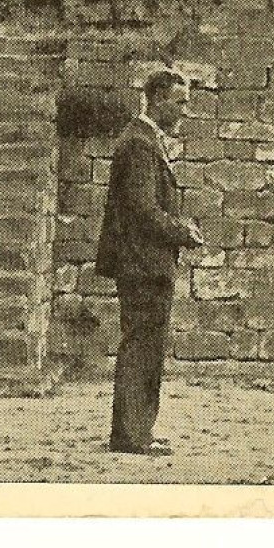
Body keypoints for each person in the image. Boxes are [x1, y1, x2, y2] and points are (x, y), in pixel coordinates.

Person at [96, 68, 203, 455]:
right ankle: (131, 435)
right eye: (180, 103)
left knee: (146, 346)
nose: (185, 111)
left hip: (147, 262)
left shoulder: (144, 140)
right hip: (142, 263)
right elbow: (142, 209)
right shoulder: (139, 144)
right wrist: (181, 231)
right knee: (141, 347)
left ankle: (138, 431)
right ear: (156, 100)